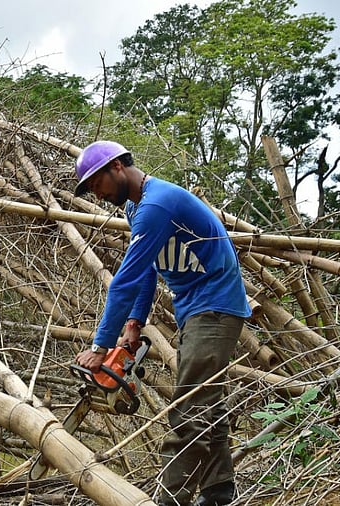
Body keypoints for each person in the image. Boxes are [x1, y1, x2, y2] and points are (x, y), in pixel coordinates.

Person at [73, 140, 251, 506]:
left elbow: (123, 282)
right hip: (194, 309)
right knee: (205, 402)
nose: (97, 193)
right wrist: (134, 323)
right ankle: (218, 492)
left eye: (97, 183)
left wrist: (100, 347)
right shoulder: (135, 207)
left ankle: (170, 499)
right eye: (90, 189)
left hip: (216, 304)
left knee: (190, 409)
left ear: (117, 167)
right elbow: (146, 271)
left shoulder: (157, 204)